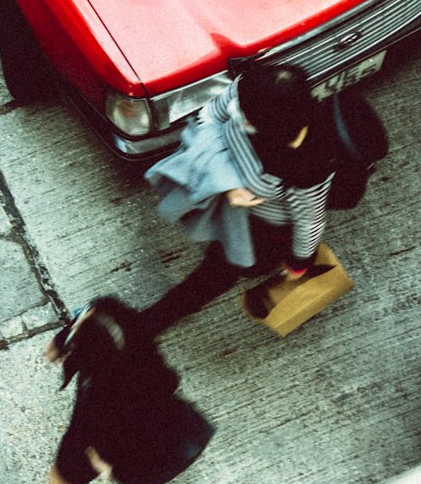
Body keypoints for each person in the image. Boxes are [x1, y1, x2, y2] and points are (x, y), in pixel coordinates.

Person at [0, 296, 212, 484]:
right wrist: (67, 337)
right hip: (108, 405)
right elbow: (94, 312)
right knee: (65, 473)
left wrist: (112, 467)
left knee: (62, 480)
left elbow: (124, 433)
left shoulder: (119, 402)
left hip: (102, 434)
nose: (82, 320)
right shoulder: (115, 322)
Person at [141, 64, 336, 335]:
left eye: (248, 121)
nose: (238, 120)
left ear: (276, 130)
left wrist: (298, 263)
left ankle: (149, 324)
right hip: (233, 204)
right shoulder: (251, 90)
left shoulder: (308, 165)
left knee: (218, 272)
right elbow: (208, 116)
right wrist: (229, 182)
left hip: (264, 230)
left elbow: (309, 220)